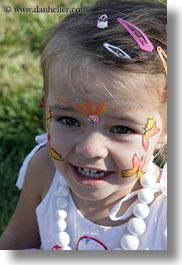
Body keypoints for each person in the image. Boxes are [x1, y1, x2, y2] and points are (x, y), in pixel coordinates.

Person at [0, 0, 167, 250]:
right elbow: (16, 244)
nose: (89, 149)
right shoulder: (45, 171)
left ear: (167, 131)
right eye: (68, 120)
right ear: (46, 106)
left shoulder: (167, 216)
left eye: (122, 129)